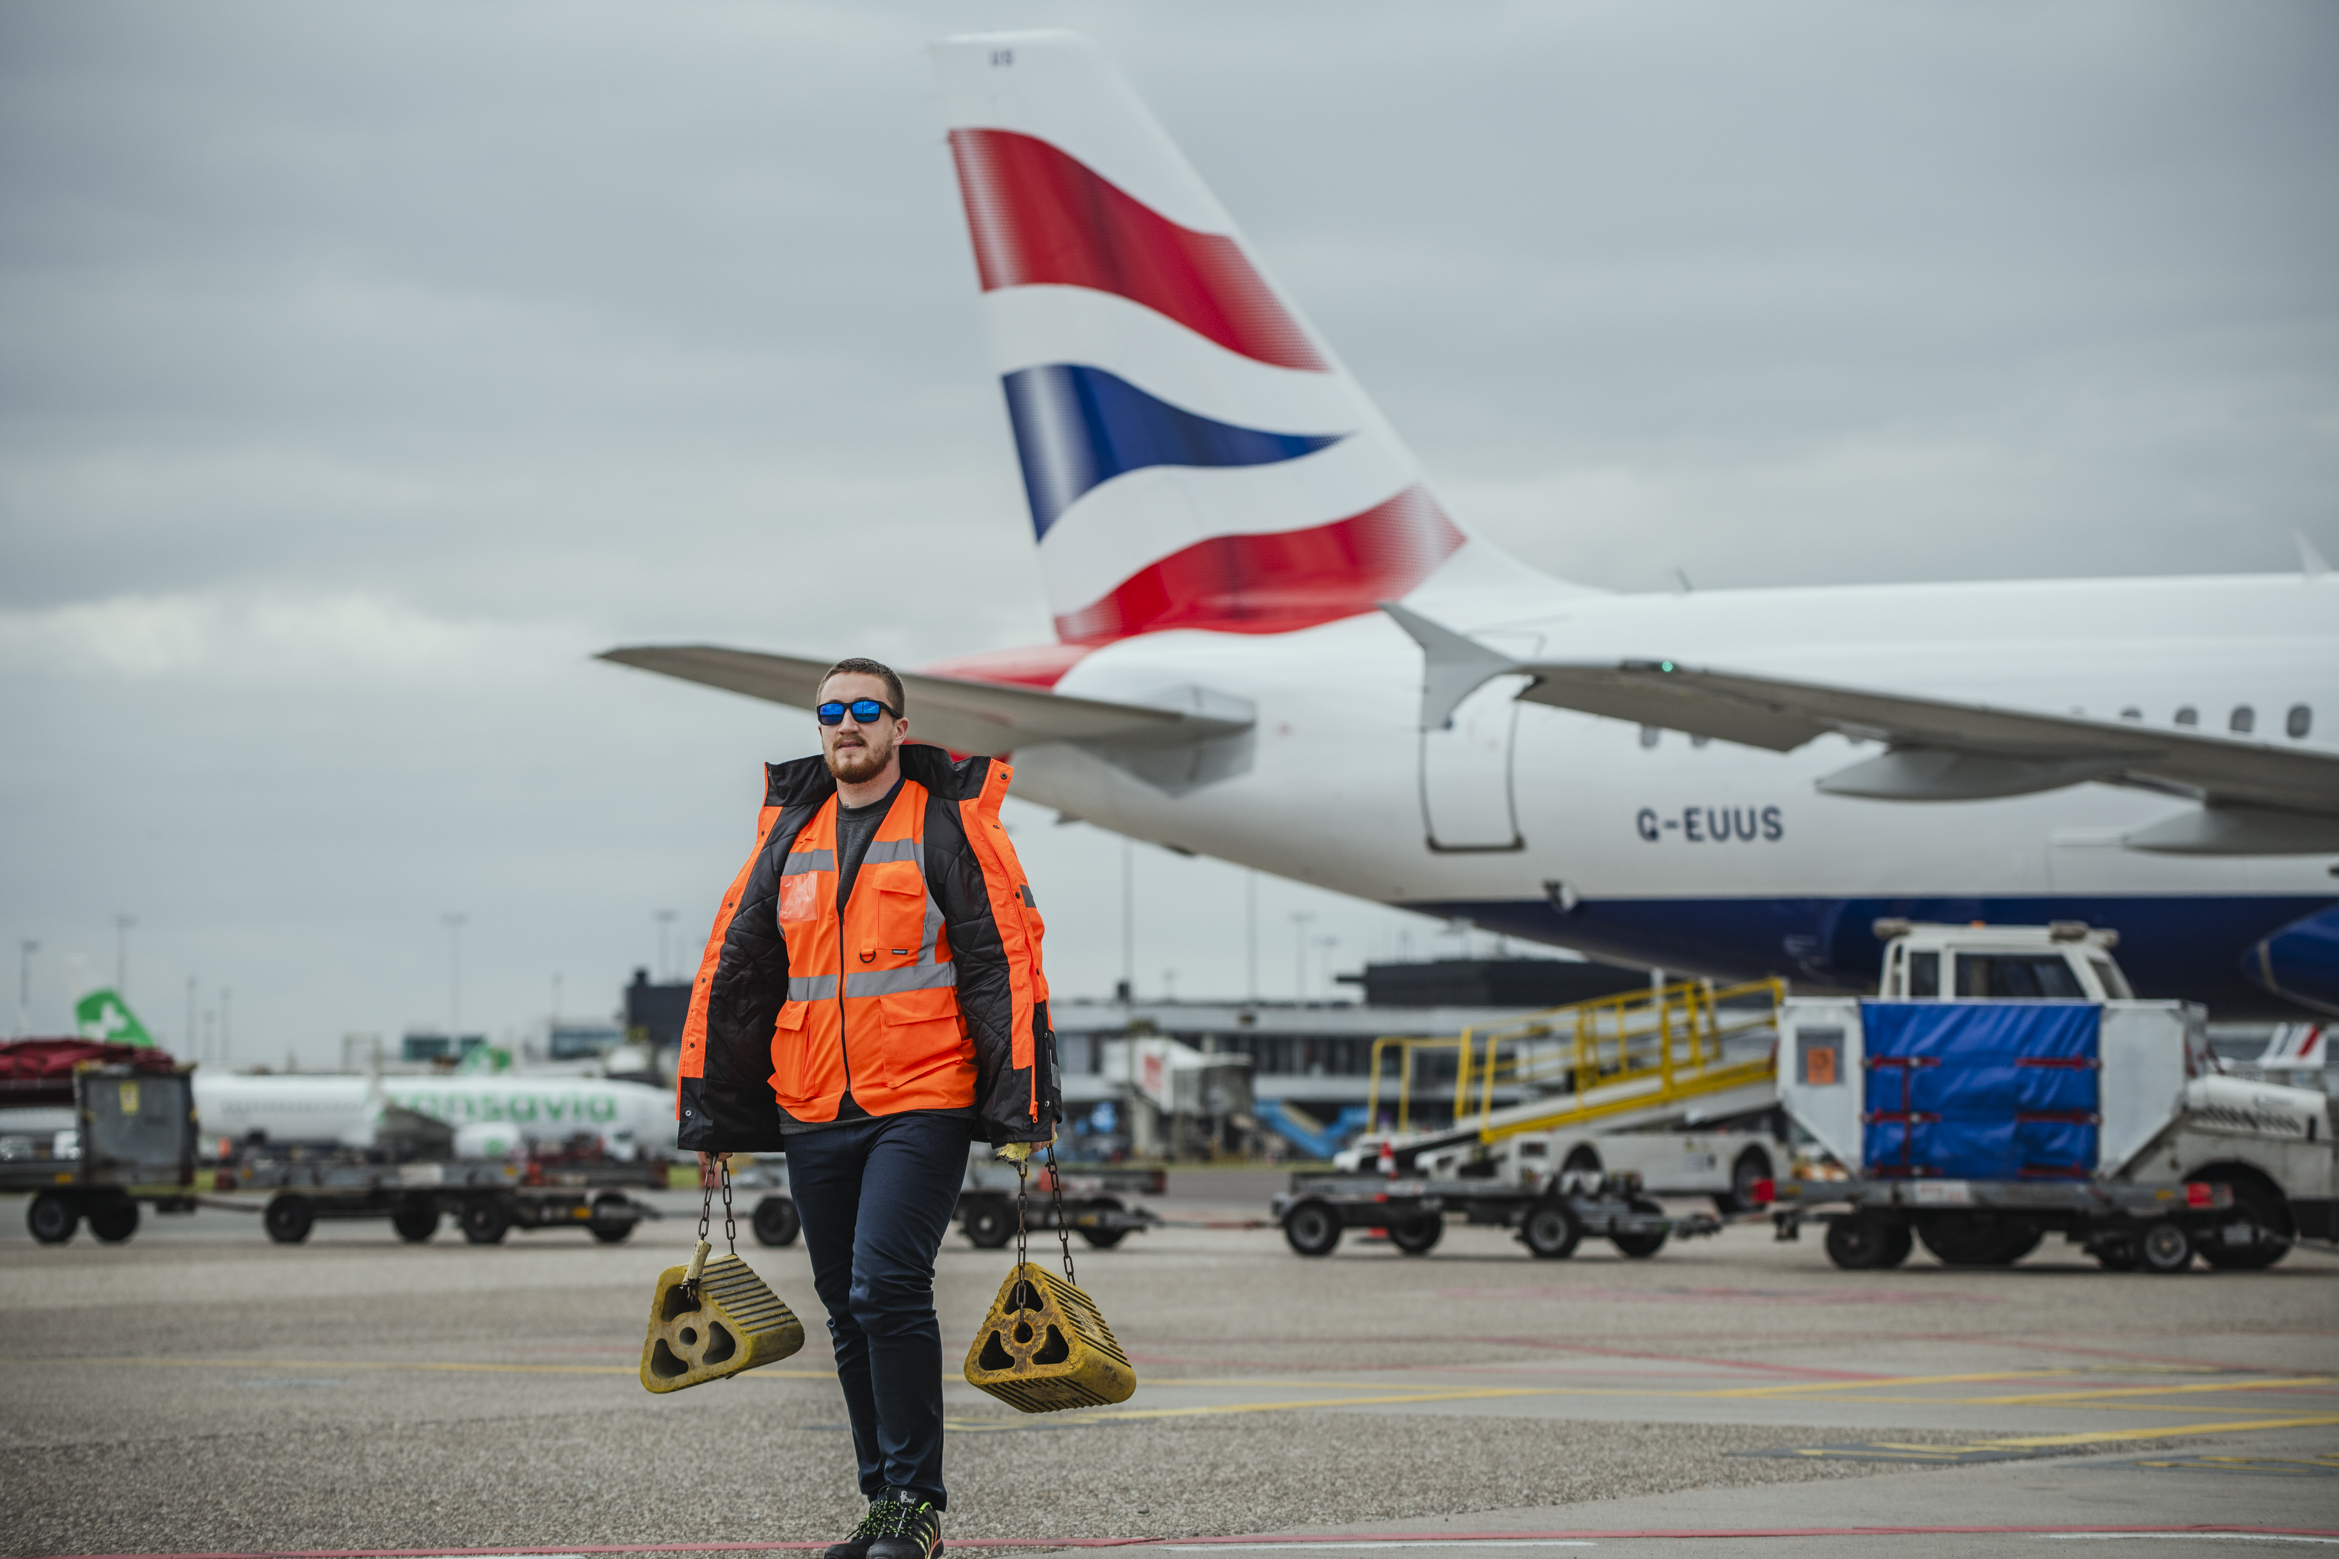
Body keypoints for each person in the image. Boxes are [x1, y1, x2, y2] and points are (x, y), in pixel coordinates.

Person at [675, 657, 1060, 1559]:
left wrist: (1023, 1107)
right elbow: (740, 979)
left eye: (862, 710)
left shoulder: (944, 827)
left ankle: (915, 1504)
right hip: (812, 1102)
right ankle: (881, 1499)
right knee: (845, 1308)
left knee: (886, 1284)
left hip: (921, 1097)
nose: (844, 725)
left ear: (897, 725)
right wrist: (718, 1119)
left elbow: (1002, 964)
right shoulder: (791, 835)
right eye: (829, 713)